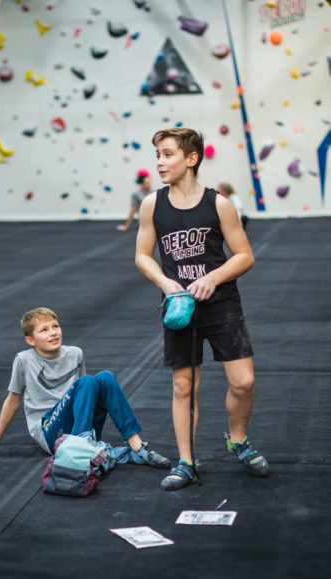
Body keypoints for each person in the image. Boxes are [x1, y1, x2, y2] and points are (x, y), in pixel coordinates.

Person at [135, 127, 269, 491]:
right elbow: (142, 257)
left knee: (244, 382)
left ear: (191, 159)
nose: (160, 162)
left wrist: (214, 277)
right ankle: (186, 462)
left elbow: (245, 255)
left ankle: (237, 440)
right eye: (158, 155)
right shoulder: (152, 205)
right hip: (180, 307)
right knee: (183, 387)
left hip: (221, 302)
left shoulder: (218, 203)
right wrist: (165, 283)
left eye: (167, 154)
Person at [0, 307, 170, 472]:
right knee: (86, 381)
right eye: (44, 330)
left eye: (55, 326)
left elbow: (88, 395)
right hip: (50, 431)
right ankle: (82, 450)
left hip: (78, 428)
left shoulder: (75, 353)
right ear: (31, 341)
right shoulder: (24, 360)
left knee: (105, 378)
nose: (53, 332)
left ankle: (136, 448)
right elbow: (13, 400)